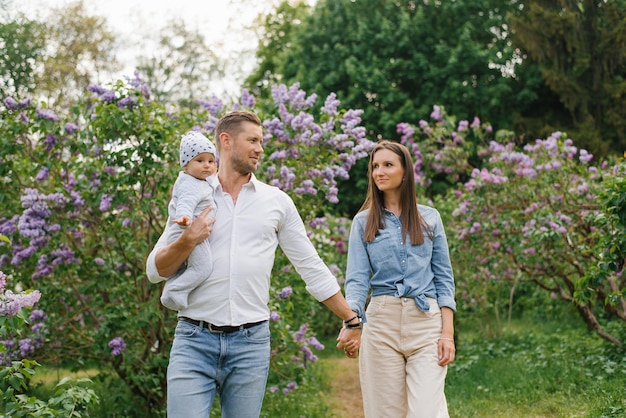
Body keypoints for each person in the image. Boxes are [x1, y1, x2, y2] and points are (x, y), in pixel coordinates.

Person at [145, 110, 360, 418]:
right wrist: (187, 240)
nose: (260, 148)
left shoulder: (276, 202)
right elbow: (155, 271)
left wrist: (351, 319)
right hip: (194, 339)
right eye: (253, 140)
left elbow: (310, 266)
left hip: (251, 344)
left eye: (262, 141)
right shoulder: (191, 193)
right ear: (226, 141)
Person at [344, 140, 456, 418]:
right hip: (381, 323)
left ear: (405, 172)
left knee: (427, 412)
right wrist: (351, 321)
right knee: (385, 413)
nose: (379, 172)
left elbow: (444, 279)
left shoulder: (430, 218)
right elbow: (357, 281)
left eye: (388, 165)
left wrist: (447, 333)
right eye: (375, 166)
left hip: (426, 322)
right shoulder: (363, 222)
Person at [160, 131, 218, 311]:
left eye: (211, 161)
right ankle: (174, 292)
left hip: (192, 231)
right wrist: (185, 219)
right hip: (188, 230)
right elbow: (185, 202)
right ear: (185, 165)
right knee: (203, 267)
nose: (207, 166)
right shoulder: (190, 183)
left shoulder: (199, 181)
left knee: (192, 266)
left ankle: (176, 286)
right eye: (200, 161)